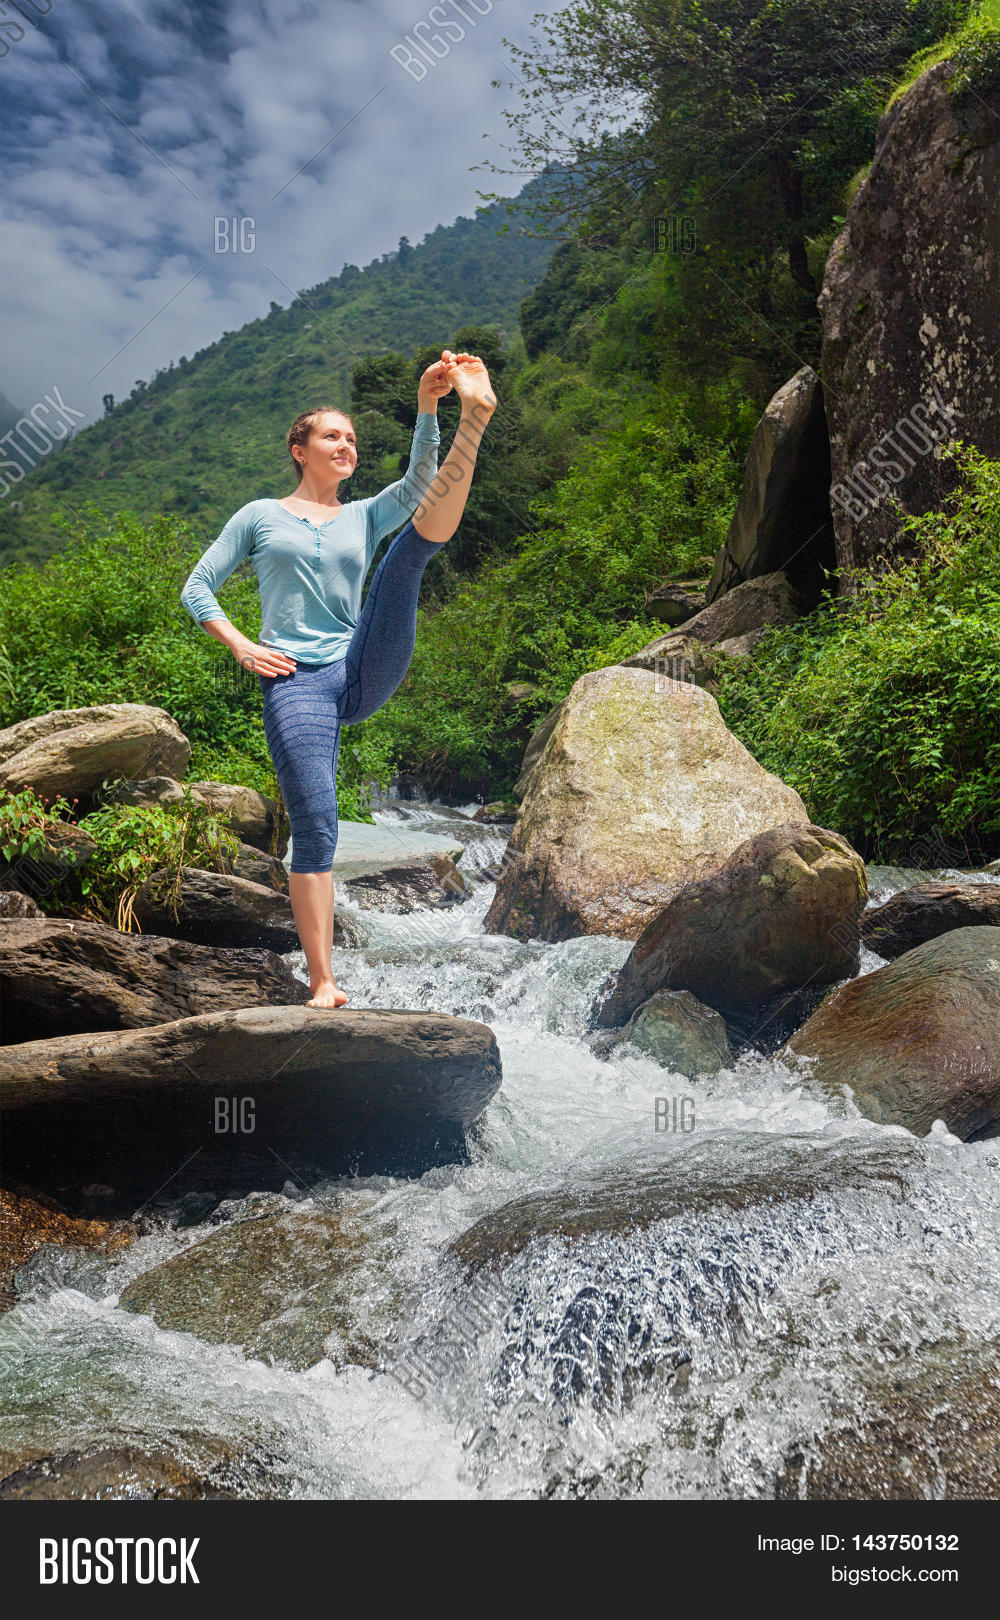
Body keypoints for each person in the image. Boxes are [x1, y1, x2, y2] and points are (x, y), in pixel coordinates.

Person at [180, 348, 496, 1006]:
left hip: (360, 663)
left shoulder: (361, 515)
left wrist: (431, 409)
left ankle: (478, 419)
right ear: (299, 448)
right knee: (317, 825)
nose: (345, 444)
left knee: (410, 551)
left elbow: (418, 487)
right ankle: (323, 981)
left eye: (351, 437)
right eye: (332, 435)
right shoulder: (259, 516)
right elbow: (198, 588)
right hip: (296, 683)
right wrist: (242, 646)